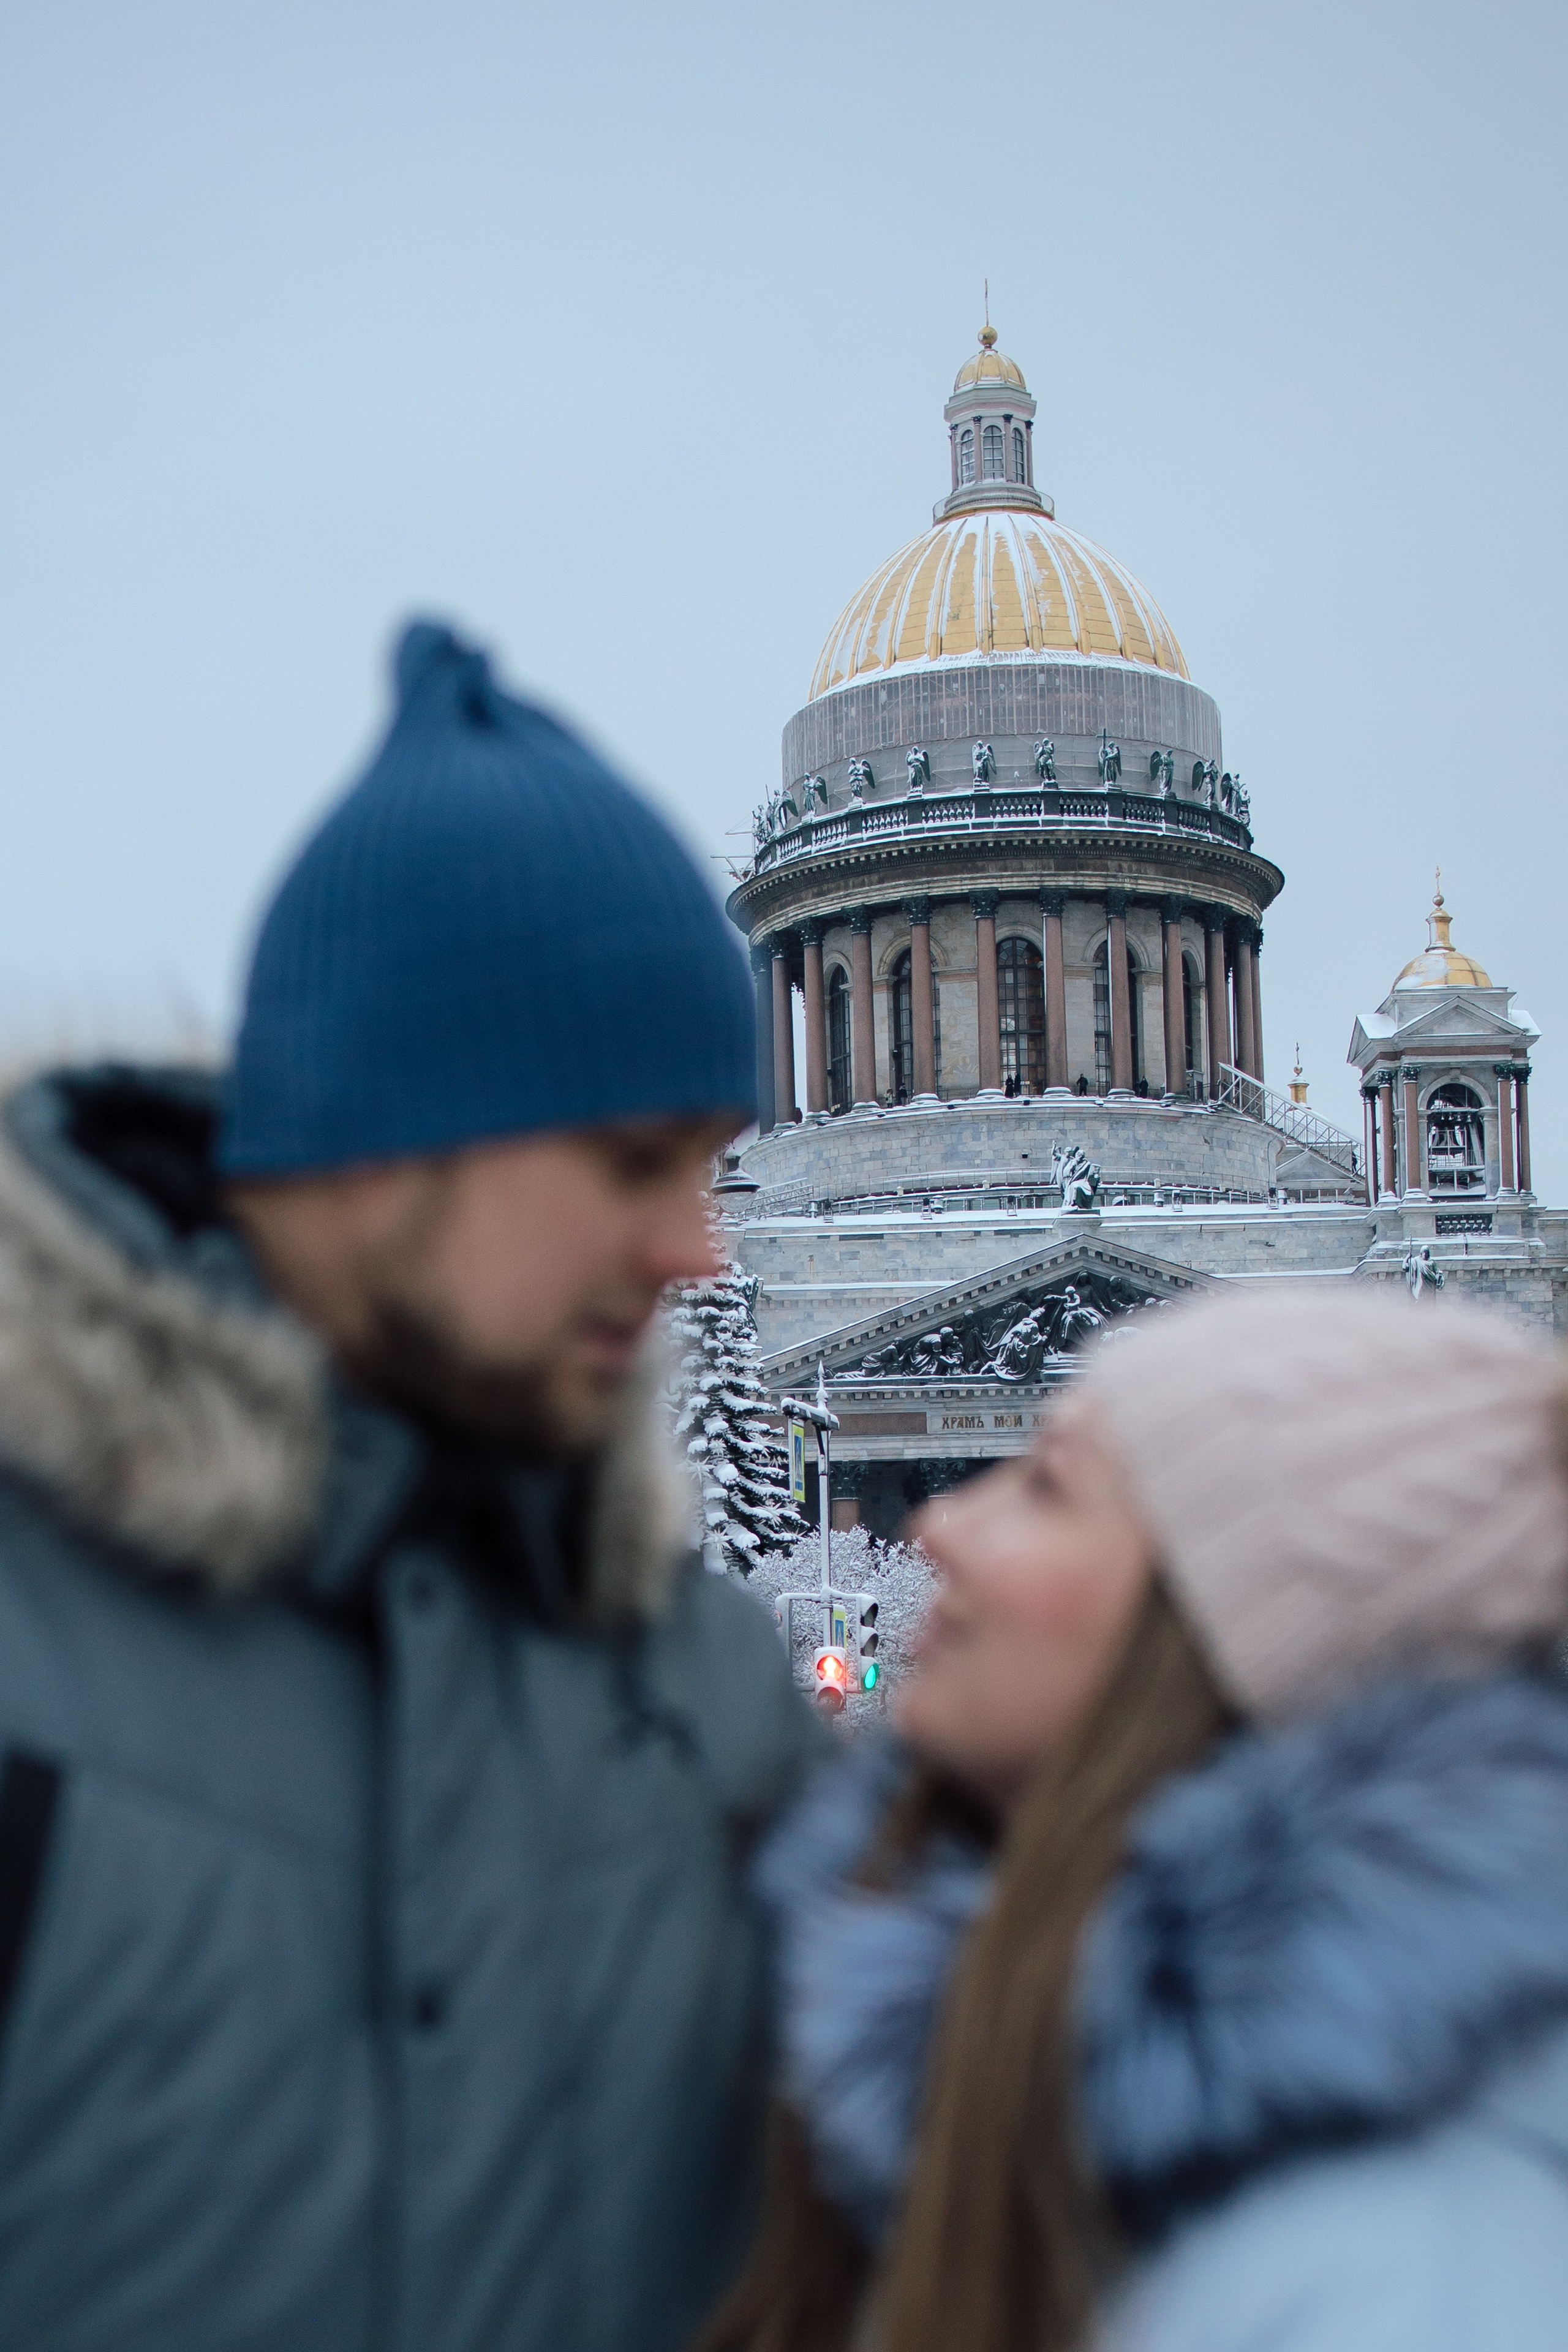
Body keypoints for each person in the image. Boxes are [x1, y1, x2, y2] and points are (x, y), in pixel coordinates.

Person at [0, 619, 815, 2352]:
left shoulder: (708, 1688)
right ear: (383, 1131)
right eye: (631, 1162)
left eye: (715, 1168)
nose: (696, 1251)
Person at [707, 1290, 1568, 2352]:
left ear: (1227, 1631)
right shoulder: (923, 2072)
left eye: (1045, 1487)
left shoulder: (1412, 2279)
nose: (938, 1525)